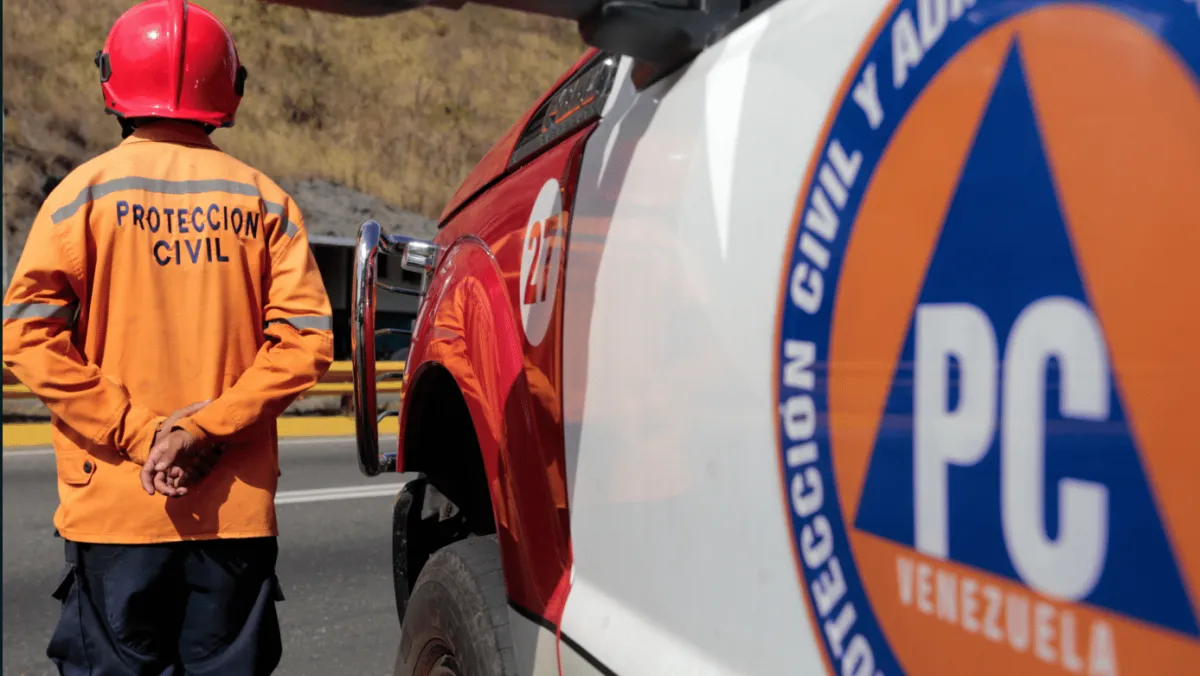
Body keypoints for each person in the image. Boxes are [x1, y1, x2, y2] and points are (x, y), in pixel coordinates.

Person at [1, 0, 334, 673]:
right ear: (228, 88)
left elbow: (27, 336)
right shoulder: (264, 201)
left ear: (112, 84)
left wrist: (139, 433)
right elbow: (306, 342)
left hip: (118, 506)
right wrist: (203, 430)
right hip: (231, 517)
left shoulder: (79, 196)